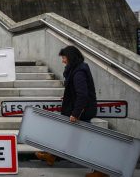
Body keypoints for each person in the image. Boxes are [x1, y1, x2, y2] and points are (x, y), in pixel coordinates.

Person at [35, 46, 104, 177]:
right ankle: (52, 155)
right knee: (65, 133)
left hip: (81, 112)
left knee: (87, 141)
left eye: (64, 57)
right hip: (78, 109)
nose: (63, 61)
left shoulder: (79, 72)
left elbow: (83, 94)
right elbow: (77, 92)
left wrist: (76, 113)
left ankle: (102, 170)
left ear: (71, 57)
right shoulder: (76, 69)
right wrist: (68, 97)